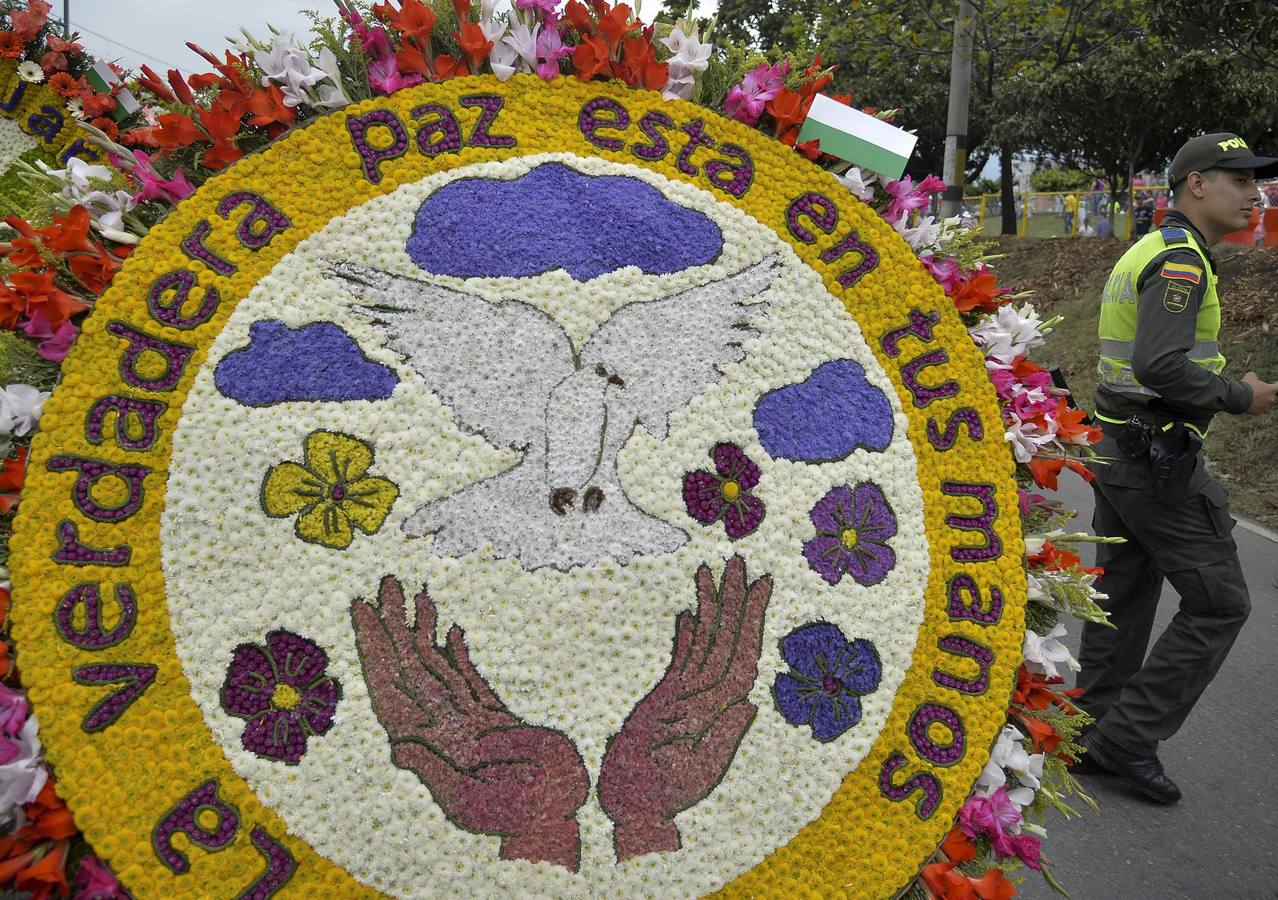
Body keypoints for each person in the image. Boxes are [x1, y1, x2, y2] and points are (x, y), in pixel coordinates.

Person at [1076, 133, 1278, 803]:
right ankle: (1127, 739)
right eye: (1239, 179)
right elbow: (1159, 366)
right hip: (1156, 459)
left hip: (1120, 450)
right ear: (1198, 185)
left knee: (1124, 596)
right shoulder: (1181, 262)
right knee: (1221, 604)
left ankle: (1090, 729)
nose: (1255, 192)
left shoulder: (1151, 248)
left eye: (1257, 180)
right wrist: (1240, 395)